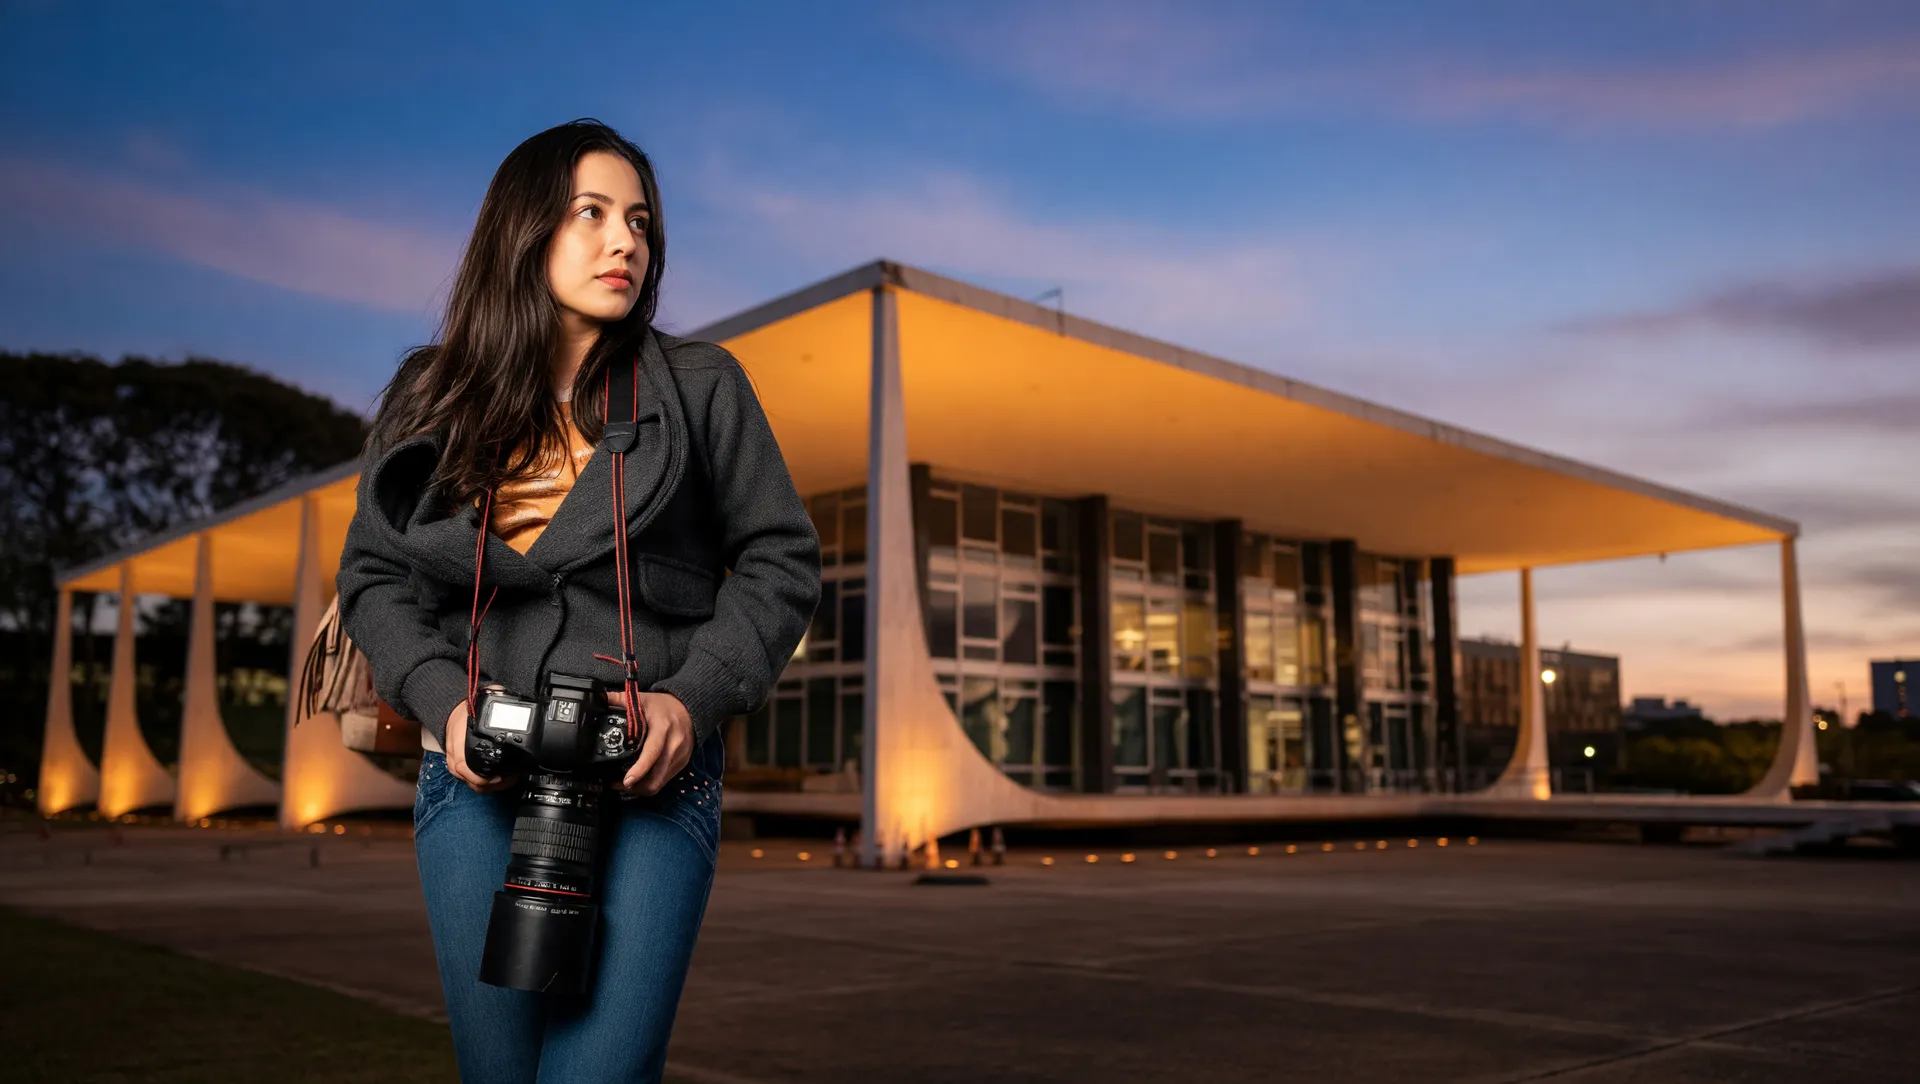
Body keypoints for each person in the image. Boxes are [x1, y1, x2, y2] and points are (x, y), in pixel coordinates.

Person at [336, 119, 821, 1083]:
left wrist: (695, 699)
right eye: (591, 213)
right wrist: (445, 702)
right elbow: (374, 577)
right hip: (475, 778)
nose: (625, 242)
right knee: (500, 1073)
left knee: (602, 1071)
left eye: (639, 220)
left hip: (652, 777)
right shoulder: (431, 395)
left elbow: (782, 560)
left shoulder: (700, 384)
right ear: (523, 230)